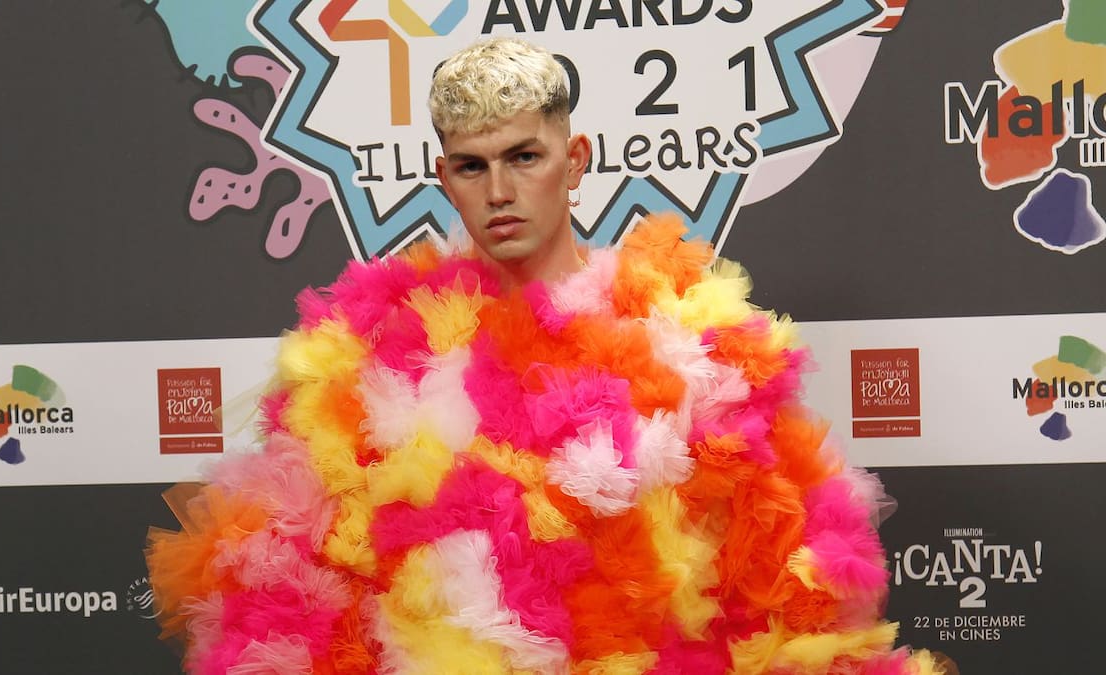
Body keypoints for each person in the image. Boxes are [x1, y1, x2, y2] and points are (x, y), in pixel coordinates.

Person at [147, 38, 949, 674]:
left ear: (577, 159)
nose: (499, 190)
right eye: (473, 166)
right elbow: (300, 598)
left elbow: (776, 580)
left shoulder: (684, 342)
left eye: (524, 156)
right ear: (444, 178)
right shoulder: (373, 358)